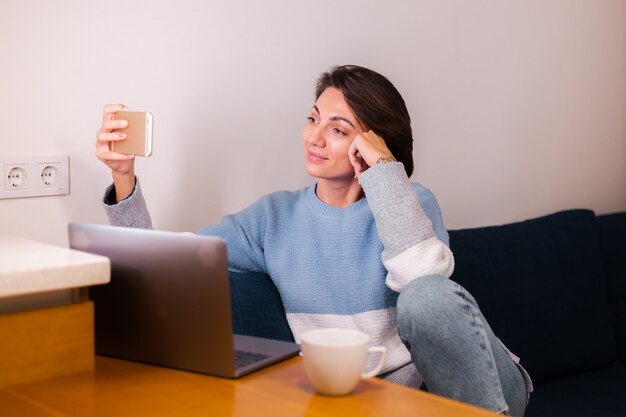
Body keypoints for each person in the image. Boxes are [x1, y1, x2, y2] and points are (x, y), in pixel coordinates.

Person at [95, 65, 531, 416]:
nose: (314, 137)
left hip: (476, 388)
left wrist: (383, 174)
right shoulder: (272, 218)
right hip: (359, 401)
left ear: (372, 143)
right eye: (312, 119)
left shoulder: (411, 201)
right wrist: (123, 176)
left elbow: (426, 284)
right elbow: (163, 270)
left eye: (338, 129)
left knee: (426, 297)